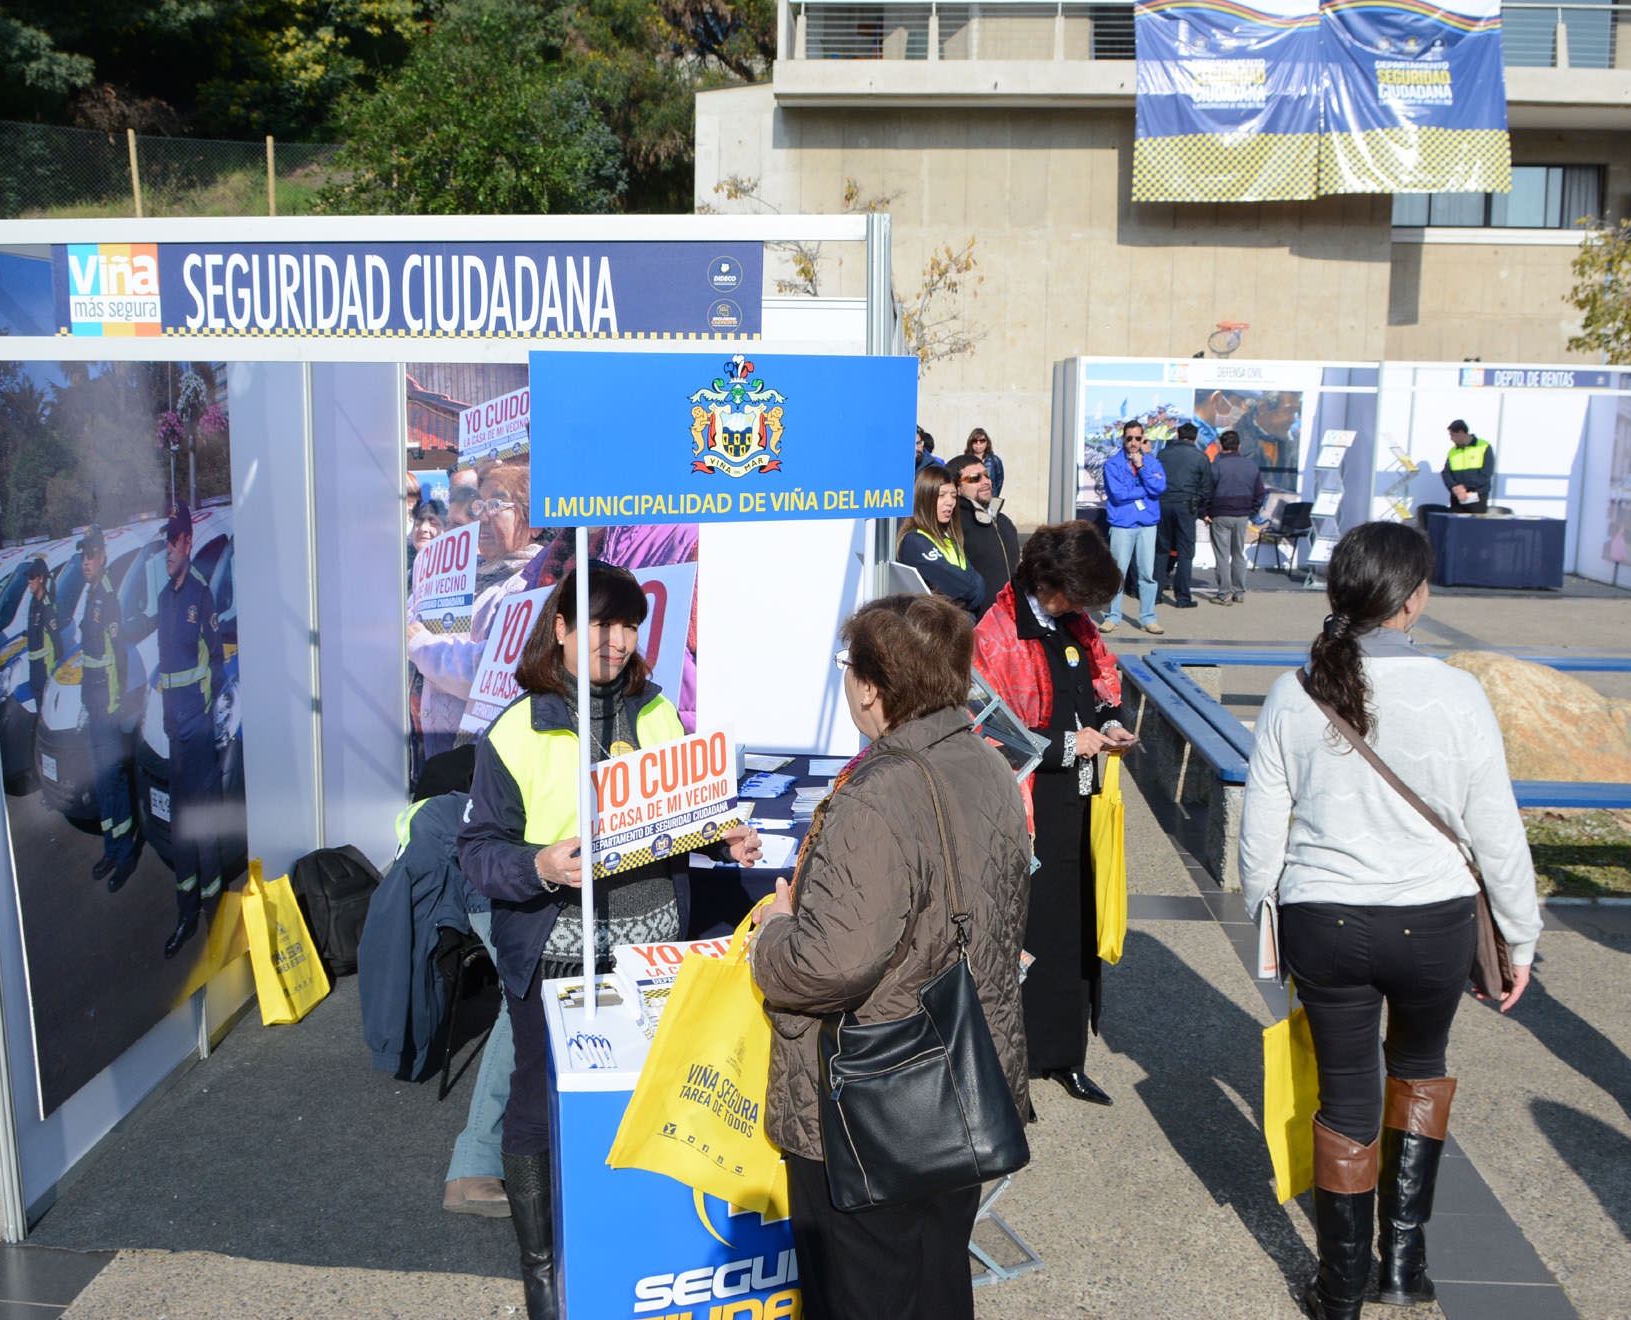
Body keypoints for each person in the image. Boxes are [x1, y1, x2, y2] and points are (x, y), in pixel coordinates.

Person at [1240, 519, 1541, 1320]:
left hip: (1323, 920)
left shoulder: (1291, 690)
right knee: (1418, 1071)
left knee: (1343, 1098)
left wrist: (1260, 921)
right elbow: (1494, 827)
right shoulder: (1458, 693)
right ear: (1412, 602)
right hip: (1432, 923)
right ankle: (1402, 1263)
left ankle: (1338, 1290)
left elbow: (1261, 829)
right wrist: (1519, 935)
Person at [457, 563, 762, 1320]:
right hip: (554, 948)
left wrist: (723, 838)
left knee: (636, 1098)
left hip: (649, 949)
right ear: (559, 629)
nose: (616, 641)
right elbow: (476, 852)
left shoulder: (657, 711)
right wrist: (538, 864)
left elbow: (690, 812)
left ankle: (629, 1251)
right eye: (599, 625)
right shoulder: (517, 729)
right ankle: (539, 1269)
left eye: (628, 625)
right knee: (537, 1102)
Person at [750, 594, 1032, 1320]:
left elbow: (831, 964)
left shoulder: (880, 793)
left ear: (872, 686)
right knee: (934, 1281)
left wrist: (772, 935)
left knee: (865, 1291)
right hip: (963, 1078)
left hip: (874, 1103)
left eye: (850, 667)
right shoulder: (983, 762)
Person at [973, 522, 1134, 1106]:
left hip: (1080, 798)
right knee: (1027, 930)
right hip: (1029, 804)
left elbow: (1101, 673)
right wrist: (1069, 747)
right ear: (1048, 581)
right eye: (1079, 595)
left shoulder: (1073, 621)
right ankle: (1017, 1061)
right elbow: (989, 731)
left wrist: (1111, 720)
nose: (1084, 608)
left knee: (1075, 925)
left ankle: (1066, 1055)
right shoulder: (994, 633)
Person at [409, 463, 540, 762]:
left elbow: (491, 671)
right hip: (439, 753)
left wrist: (421, 645)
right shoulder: (467, 576)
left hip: (482, 762)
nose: (482, 516)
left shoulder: (528, 585)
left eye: (496, 504)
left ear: (534, 524)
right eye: (479, 505)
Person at [157, 502, 229, 960]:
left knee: (203, 831)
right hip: (173, 736)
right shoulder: (165, 597)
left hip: (198, 736)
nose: (167, 550)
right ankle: (185, 913)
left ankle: (216, 921)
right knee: (181, 828)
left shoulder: (201, 597)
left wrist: (202, 721)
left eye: (173, 541)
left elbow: (217, 667)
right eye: (165, 541)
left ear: (187, 543)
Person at [76, 526, 142, 894]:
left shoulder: (108, 600)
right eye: (82, 556)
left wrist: (114, 709)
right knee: (102, 783)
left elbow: (117, 661)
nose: (85, 562)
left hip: (108, 710)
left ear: (102, 556)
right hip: (94, 705)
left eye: (90, 555)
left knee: (115, 784)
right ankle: (110, 849)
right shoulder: (90, 597)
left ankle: (126, 855)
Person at [1100, 421, 1166, 634]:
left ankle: (1148, 617)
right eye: (1129, 438)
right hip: (1123, 524)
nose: (1134, 442)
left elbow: (1159, 487)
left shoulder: (1153, 464)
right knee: (1118, 573)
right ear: (1123, 439)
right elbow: (1118, 495)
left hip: (1147, 524)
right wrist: (1145, 492)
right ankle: (1113, 615)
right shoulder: (1112, 464)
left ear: (1143, 439)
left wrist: (1141, 469)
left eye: (1138, 438)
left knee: (1147, 573)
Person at [897, 464, 985, 615]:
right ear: (925, 498)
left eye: (953, 495)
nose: (950, 502)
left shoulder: (949, 537)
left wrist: (973, 588)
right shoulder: (915, 541)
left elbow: (978, 587)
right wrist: (972, 588)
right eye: (942, 495)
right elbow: (965, 588)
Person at [945, 453, 1018, 619]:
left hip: (1013, 622)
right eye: (975, 478)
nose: (985, 481)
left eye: (987, 475)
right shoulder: (954, 525)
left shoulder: (1003, 521)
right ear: (957, 488)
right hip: (978, 626)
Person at [1205, 429, 1266, 606]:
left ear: (1220, 446)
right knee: (1238, 553)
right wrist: (1252, 510)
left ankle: (1224, 593)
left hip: (1220, 514)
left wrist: (1205, 512)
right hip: (1242, 515)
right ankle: (1239, 592)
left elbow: (1206, 492)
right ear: (1239, 446)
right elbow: (1260, 493)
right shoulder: (1251, 465)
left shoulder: (1215, 466)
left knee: (1222, 555)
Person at [1156, 426, 1214, 609]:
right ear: (1195, 437)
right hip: (1186, 506)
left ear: (1178, 435)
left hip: (1163, 504)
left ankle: (1155, 595)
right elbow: (1206, 488)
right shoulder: (1200, 457)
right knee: (1185, 553)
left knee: (1161, 550)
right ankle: (1182, 597)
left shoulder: (1163, 454)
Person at [21, 558, 61, 709]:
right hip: (35, 668)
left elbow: (56, 642)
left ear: (41, 578)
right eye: (28, 577)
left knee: (46, 709)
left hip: (45, 669)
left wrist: (53, 674)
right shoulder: (33, 602)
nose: (29, 581)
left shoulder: (47, 605)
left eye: (32, 577)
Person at [1441, 420, 1494, 512]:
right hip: (1457, 497)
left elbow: (1486, 473)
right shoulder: (1453, 451)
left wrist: (1464, 488)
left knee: (1474, 524)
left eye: (1453, 435)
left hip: (1477, 497)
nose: (1451, 438)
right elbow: (1446, 473)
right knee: (1455, 524)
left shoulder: (1483, 446)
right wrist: (1454, 487)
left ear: (1461, 432)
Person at [965, 427, 1005, 498]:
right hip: (972, 500)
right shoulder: (965, 461)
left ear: (987, 442)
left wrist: (994, 497)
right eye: (975, 441)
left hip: (989, 500)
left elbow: (999, 482)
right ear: (970, 443)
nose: (978, 444)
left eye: (982, 441)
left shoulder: (994, 460)